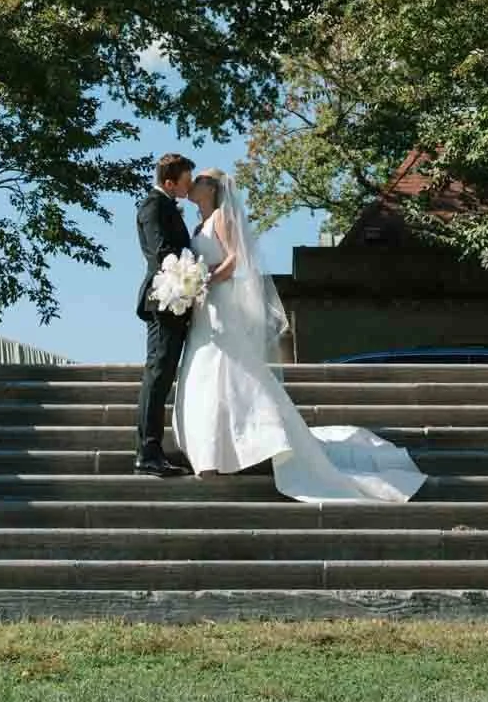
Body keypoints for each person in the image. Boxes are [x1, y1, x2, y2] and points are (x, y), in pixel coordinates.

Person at [174, 168, 424, 503]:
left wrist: (205, 280)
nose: (193, 185)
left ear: (213, 189)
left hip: (220, 300)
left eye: (201, 180)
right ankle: (210, 453)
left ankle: (247, 445)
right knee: (205, 372)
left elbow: (234, 260)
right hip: (205, 310)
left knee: (229, 370)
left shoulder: (221, 217)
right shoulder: (198, 225)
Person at [132, 152, 197, 475]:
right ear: (169, 182)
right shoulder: (153, 206)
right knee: (158, 374)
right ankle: (147, 452)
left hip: (176, 300)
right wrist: (194, 272)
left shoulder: (168, 205)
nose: (190, 186)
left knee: (163, 374)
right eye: (186, 181)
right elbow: (162, 254)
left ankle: (152, 448)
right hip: (164, 300)